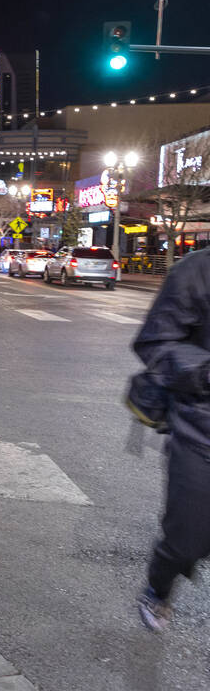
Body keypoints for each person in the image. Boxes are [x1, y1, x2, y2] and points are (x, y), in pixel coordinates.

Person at [133, 246, 210, 630]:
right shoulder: (197, 270)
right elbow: (155, 342)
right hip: (201, 430)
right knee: (187, 539)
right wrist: (204, 370)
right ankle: (157, 588)